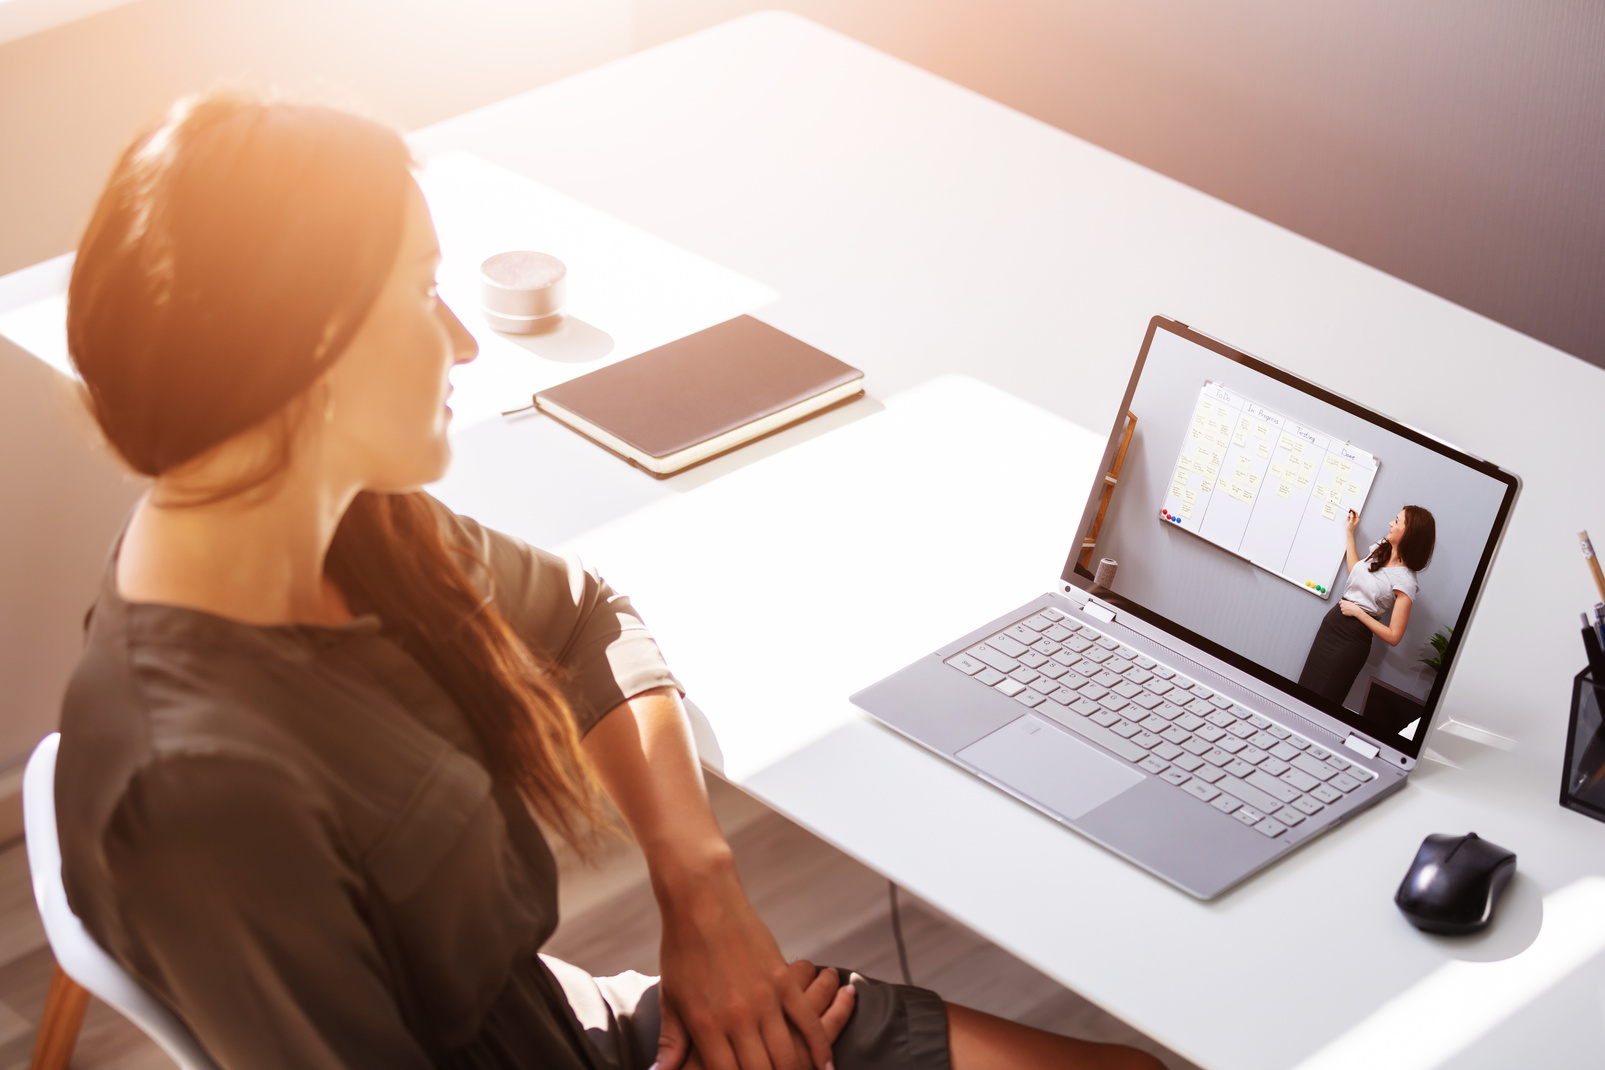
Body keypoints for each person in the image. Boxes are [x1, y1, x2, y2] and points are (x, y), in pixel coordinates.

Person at [52, 94, 1161, 1070]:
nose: (462, 343)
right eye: (422, 293)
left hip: (578, 1029)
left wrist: (702, 889)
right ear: (306, 357)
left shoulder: (324, 517)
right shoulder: (199, 789)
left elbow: (586, 615)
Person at [1297, 504, 1436, 706]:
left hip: (1352, 640)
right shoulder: (1382, 548)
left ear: (1410, 533)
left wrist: (1358, 612)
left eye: (1397, 521)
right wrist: (1350, 533)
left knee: (1324, 699)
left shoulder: (1407, 581)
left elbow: (1394, 636)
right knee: (1304, 689)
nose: (1390, 522)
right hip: (1332, 625)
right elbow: (1356, 571)